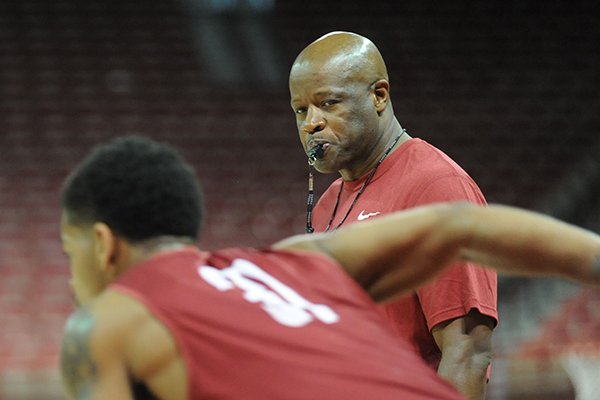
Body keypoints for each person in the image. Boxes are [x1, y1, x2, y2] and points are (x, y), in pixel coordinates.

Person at [59, 135, 600, 400]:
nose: (68, 277)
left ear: (104, 245)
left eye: (69, 251)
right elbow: (461, 226)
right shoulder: (297, 260)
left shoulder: (107, 322)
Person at [289, 31, 496, 399]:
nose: (311, 124)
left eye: (328, 103)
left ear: (379, 95)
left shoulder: (436, 187)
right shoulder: (328, 204)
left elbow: (466, 353)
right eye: (301, 110)